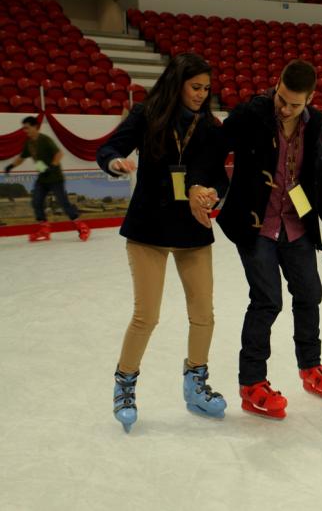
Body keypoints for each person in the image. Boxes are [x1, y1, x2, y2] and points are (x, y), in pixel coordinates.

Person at [95, 53, 229, 432]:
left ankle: (196, 384)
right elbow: (107, 149)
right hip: (148, 231)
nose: (202, 94)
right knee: (146, 315)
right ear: (177, 83)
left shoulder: (211, 128)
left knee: (204, 313)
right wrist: (115, 162)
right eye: (195, 87)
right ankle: (125, 383)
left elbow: (220, 176)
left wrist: (212, 193)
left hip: (192, 232)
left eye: (206, 88)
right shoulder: (147, 115)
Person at [216, 59, 322, 420]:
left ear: (310, 99)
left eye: (294, 104)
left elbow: (318, 175)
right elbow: (215, 148)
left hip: (297, 223)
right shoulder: (252, 113)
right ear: (277, 85)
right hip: (256, 226)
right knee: (267, 301)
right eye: (281, 99)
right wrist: (206, 186)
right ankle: (252, 384)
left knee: (309, 293)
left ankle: (310, 368)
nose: (284, 108)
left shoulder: (316, 123)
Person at [4, 116, 90, 242]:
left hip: (55, 177)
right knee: (36, 202)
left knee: (63, 203)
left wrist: (52, 167)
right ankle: (44, 229)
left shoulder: (45, 140)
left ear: (35, 127)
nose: (25, 131)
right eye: (24, 128)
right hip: (42, 178)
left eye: (27, 128)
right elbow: (21, 157)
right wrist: (11, 166)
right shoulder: (29, 143)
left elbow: (59, 154)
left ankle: (82, 227)